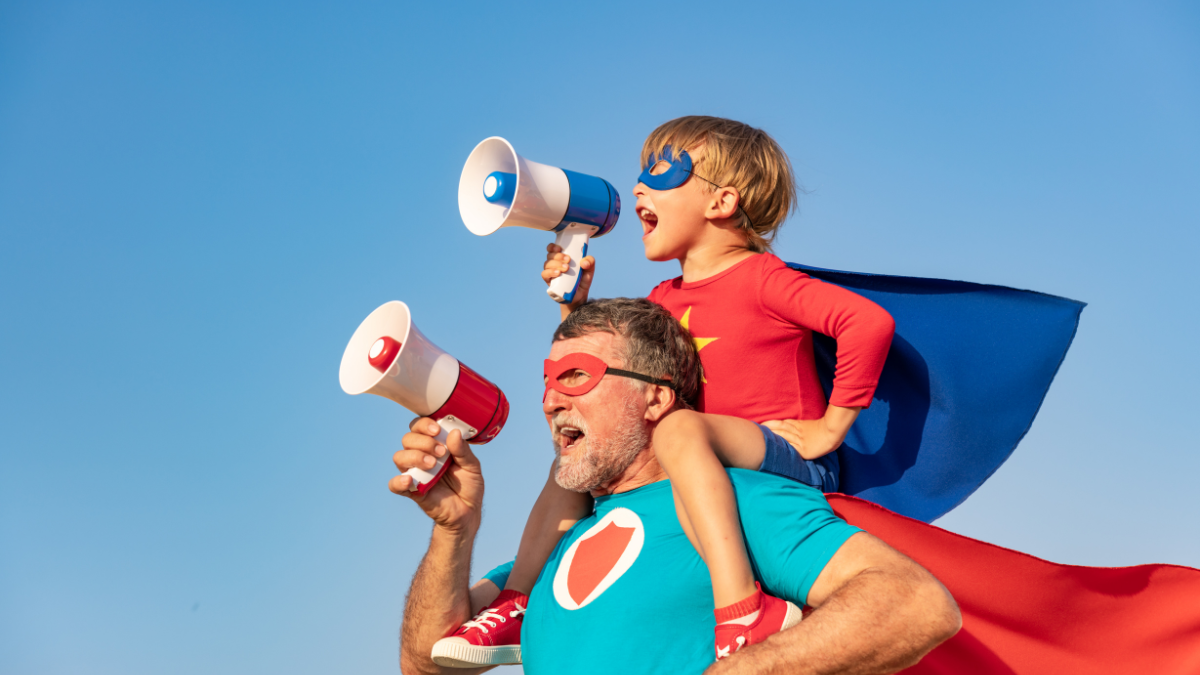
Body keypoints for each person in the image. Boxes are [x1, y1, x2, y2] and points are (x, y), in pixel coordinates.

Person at [441, 116, 897, 664]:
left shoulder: (761, 278)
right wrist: (575, 308)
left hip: (779, 456)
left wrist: (830, 428)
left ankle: (741, 610)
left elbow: (866, 323)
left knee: (678, 427)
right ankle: (517, 602)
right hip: (697, 461)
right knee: (574, 460)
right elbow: (621, 375)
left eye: (664, 172)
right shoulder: (662, 297)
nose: (639, 186)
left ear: (722, 202)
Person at [397, 298, 959, 674]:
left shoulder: (729, 501)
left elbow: (914, 602)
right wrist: (454, 530)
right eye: (547, 381)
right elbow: (424, 663)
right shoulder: (548, 545)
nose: (550, 400)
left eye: (576, 377)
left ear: (657, 398)